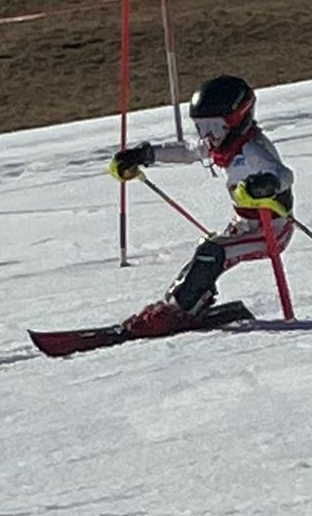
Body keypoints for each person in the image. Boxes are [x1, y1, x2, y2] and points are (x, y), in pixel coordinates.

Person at [107, 73, 294, 337]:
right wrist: (144, 154)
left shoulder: (252, 148)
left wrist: (268, 184)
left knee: (213, 252)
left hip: (272, 230)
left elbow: (284, 174)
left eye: (214, 127)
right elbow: (187, 151)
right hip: (244, 225)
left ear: (237, 119)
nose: (207, 135)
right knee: (204, 252)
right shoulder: (223, 145)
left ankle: (179, 311)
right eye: (201, 126)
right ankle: (175, 305)